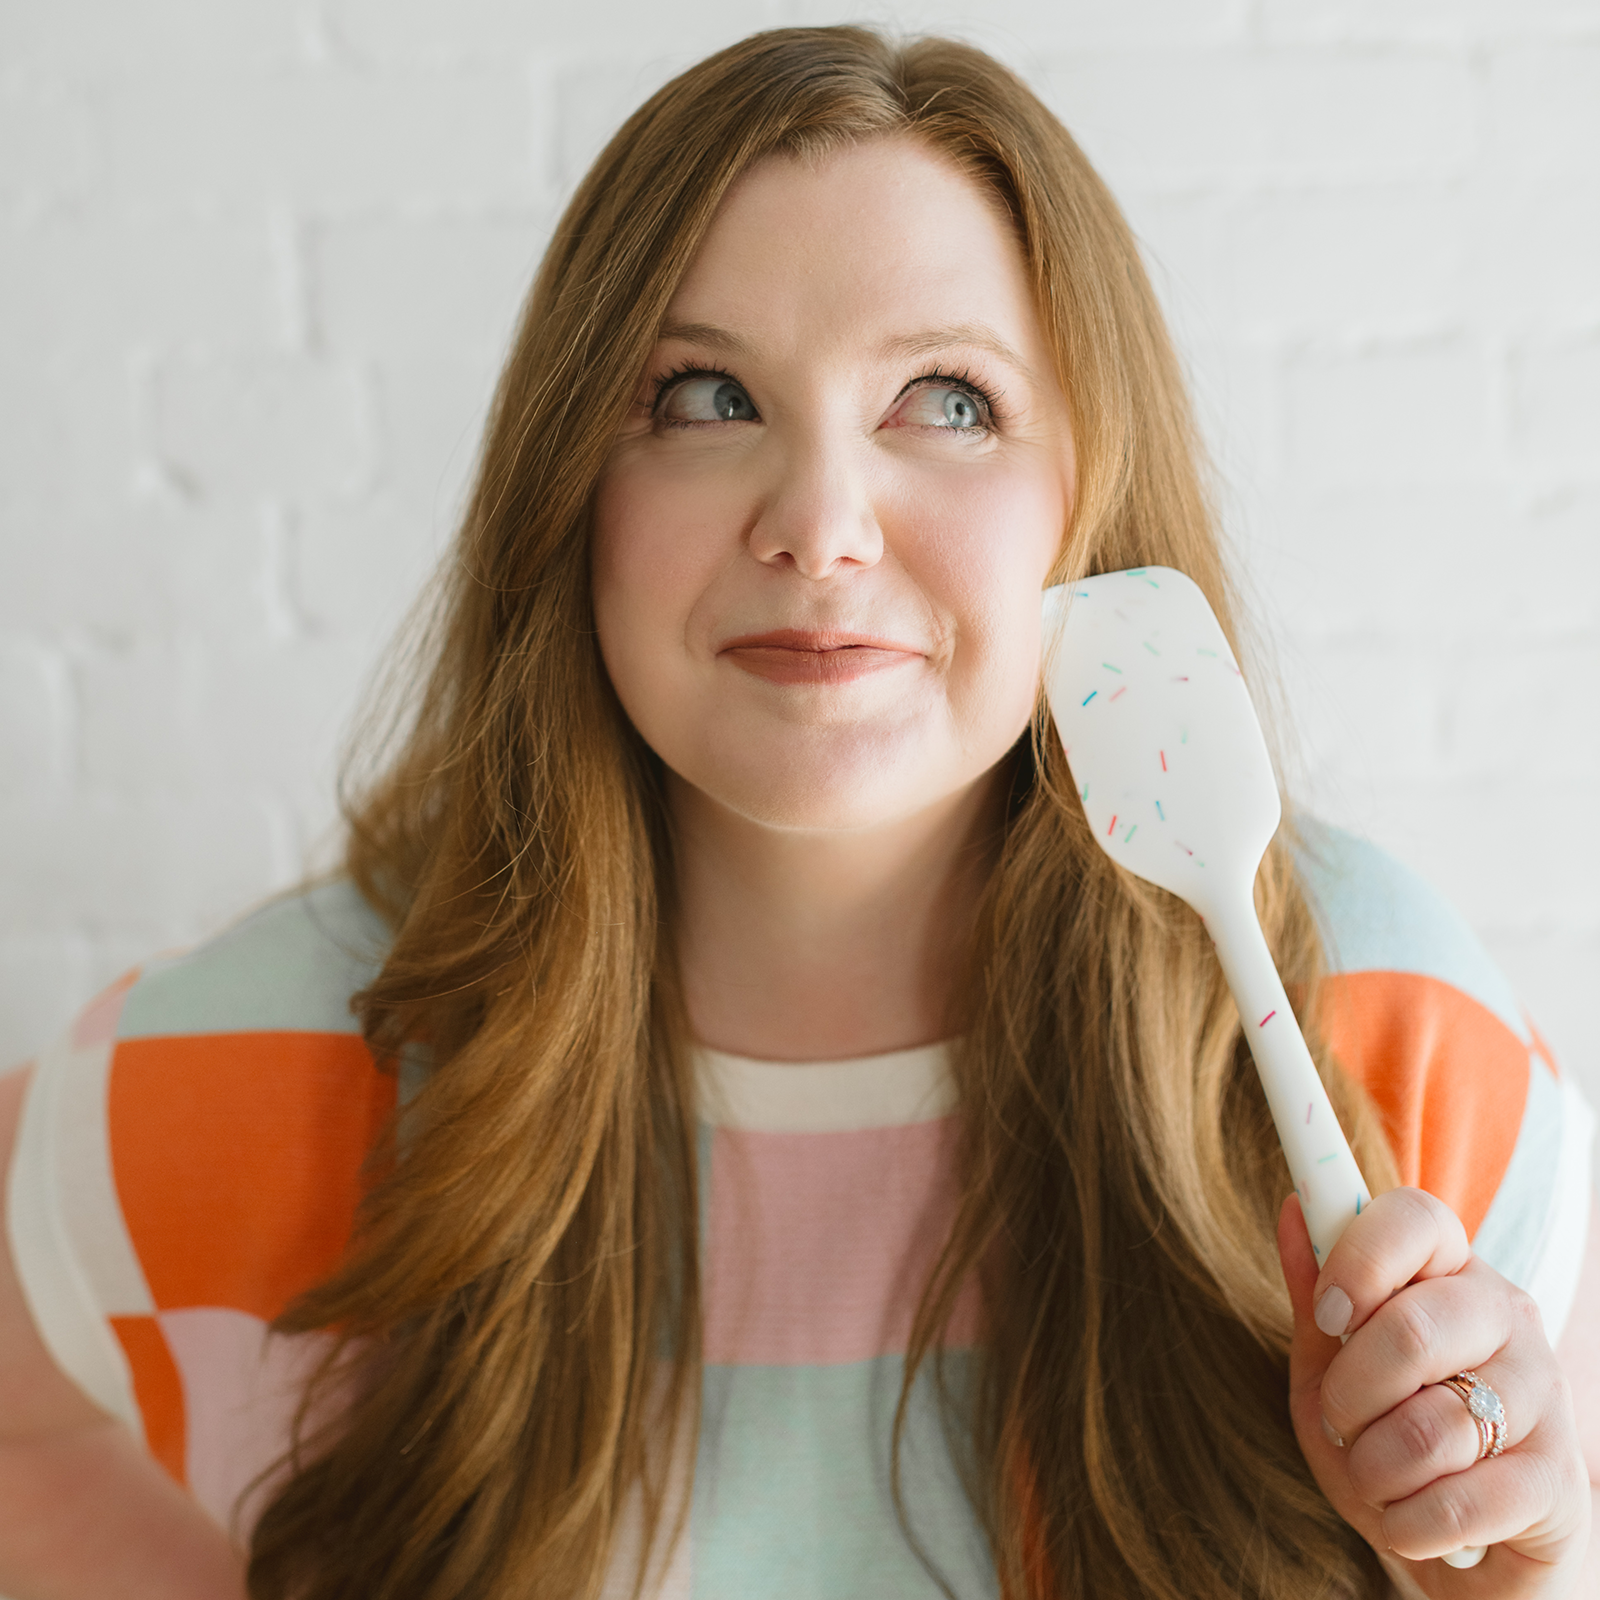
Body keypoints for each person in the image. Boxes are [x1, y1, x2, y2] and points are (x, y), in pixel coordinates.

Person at [0, 25, 1594, 1600]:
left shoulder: (1390, 1037)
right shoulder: (258, 1060)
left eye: (947, 402)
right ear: (574, 490)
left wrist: (1510, 1580)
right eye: (706, 397)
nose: (822, 527)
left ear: (1087, 503)